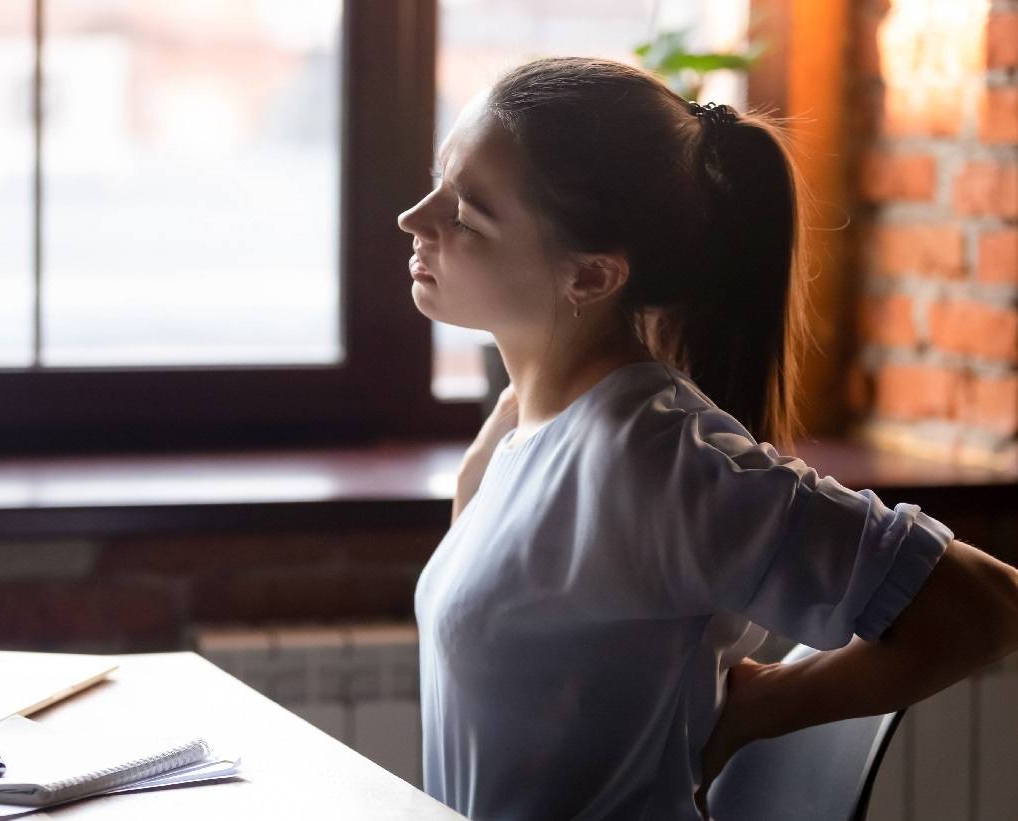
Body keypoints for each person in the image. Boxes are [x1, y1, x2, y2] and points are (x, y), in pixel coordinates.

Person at [397, 56, 1018, 821]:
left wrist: (763, 705)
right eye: (439, 180)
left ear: (591, 276)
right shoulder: (521, 425)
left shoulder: (648, 457)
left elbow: (987, 604)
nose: (415, 217)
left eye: (466, 212)